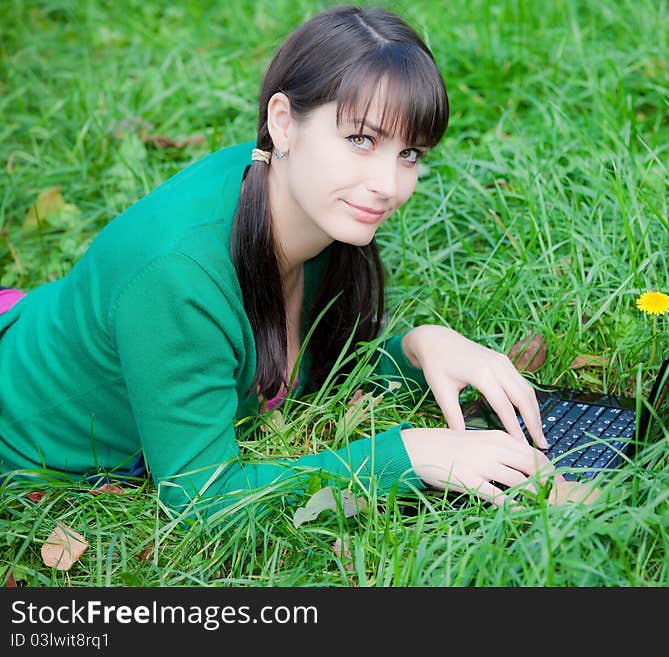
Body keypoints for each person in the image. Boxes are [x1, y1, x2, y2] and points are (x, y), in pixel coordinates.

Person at [0, 5, 595, 516]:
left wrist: (420, 346)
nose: (388, 184)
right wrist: (411, 455)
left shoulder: (300, 197)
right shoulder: (180, 279)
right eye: (360, 139)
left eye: (409, 153)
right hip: (25, 423)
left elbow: (316, 360)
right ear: (283, 123)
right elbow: (202, 500)